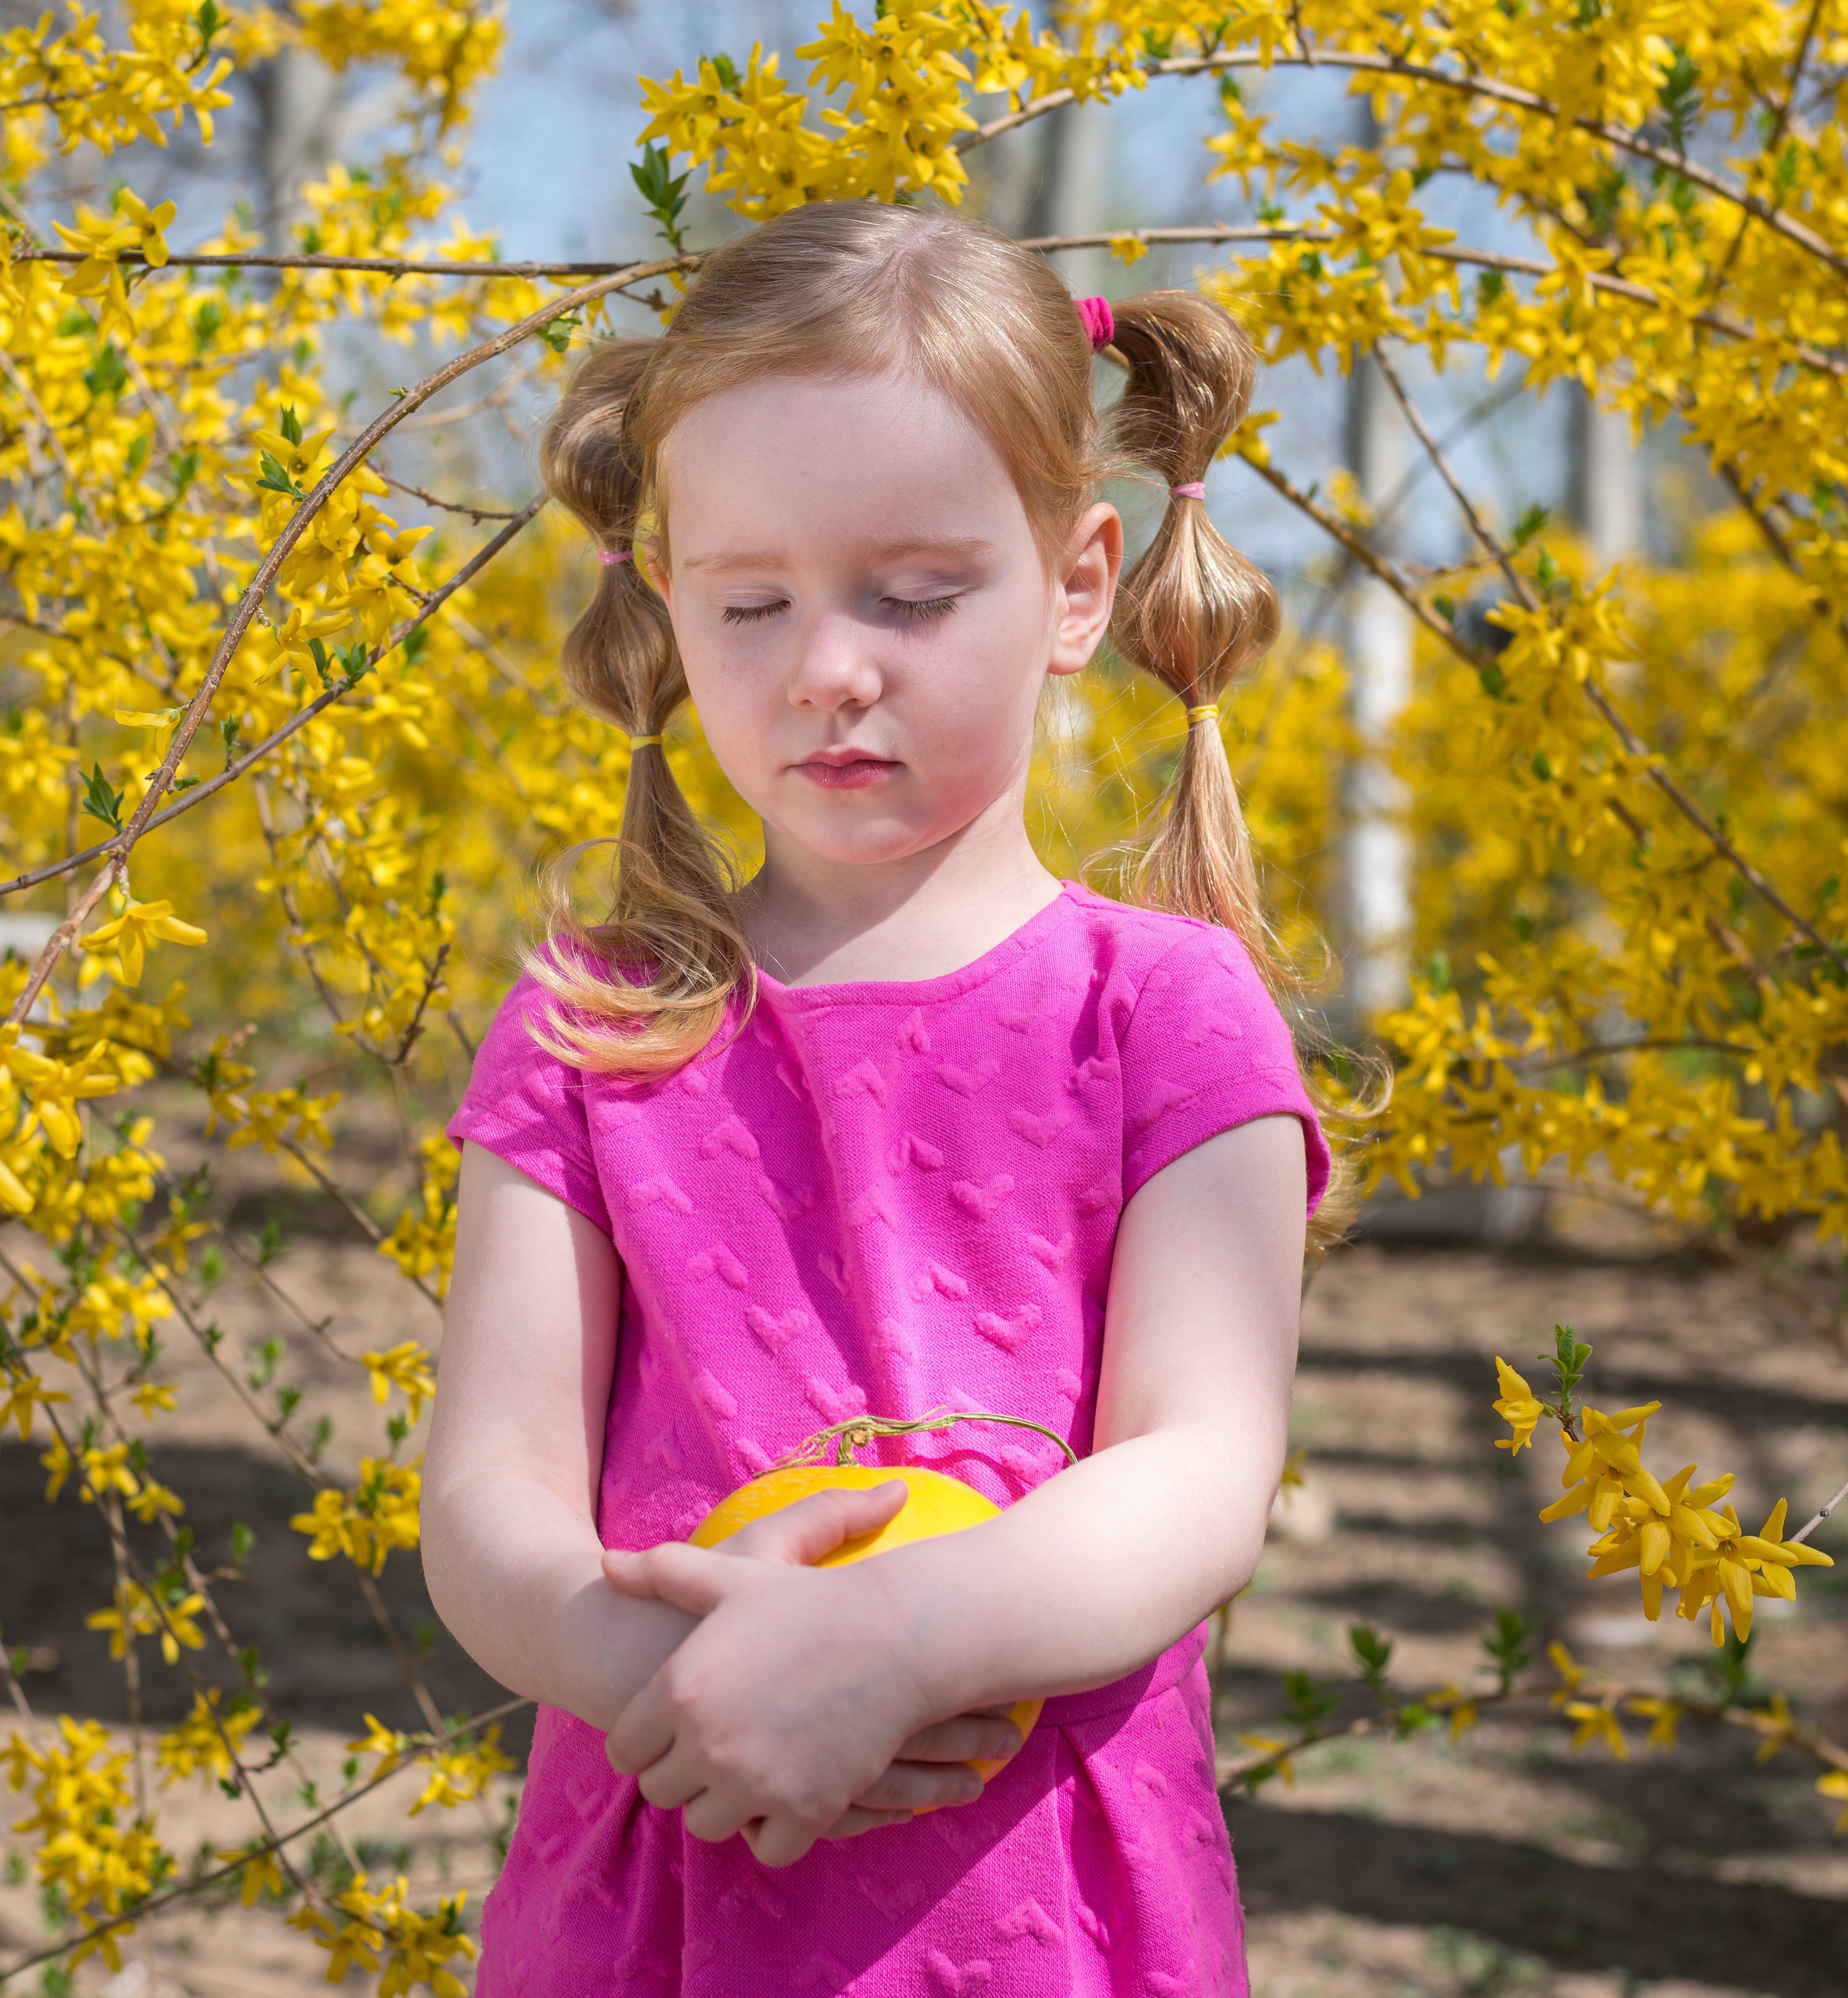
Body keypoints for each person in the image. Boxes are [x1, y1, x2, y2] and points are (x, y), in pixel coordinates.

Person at [423, 198, 1336, 1997]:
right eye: (749, 600)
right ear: (665, 598)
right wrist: (673, 1674)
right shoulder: (593, 1026)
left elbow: (1201, 1465)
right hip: (662, 1878)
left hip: (1048, 1912)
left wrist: (900, 1644)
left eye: (913, 594)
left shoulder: (1163, 1011)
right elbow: (486, 1499)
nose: (828, 665)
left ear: (1075, 585)